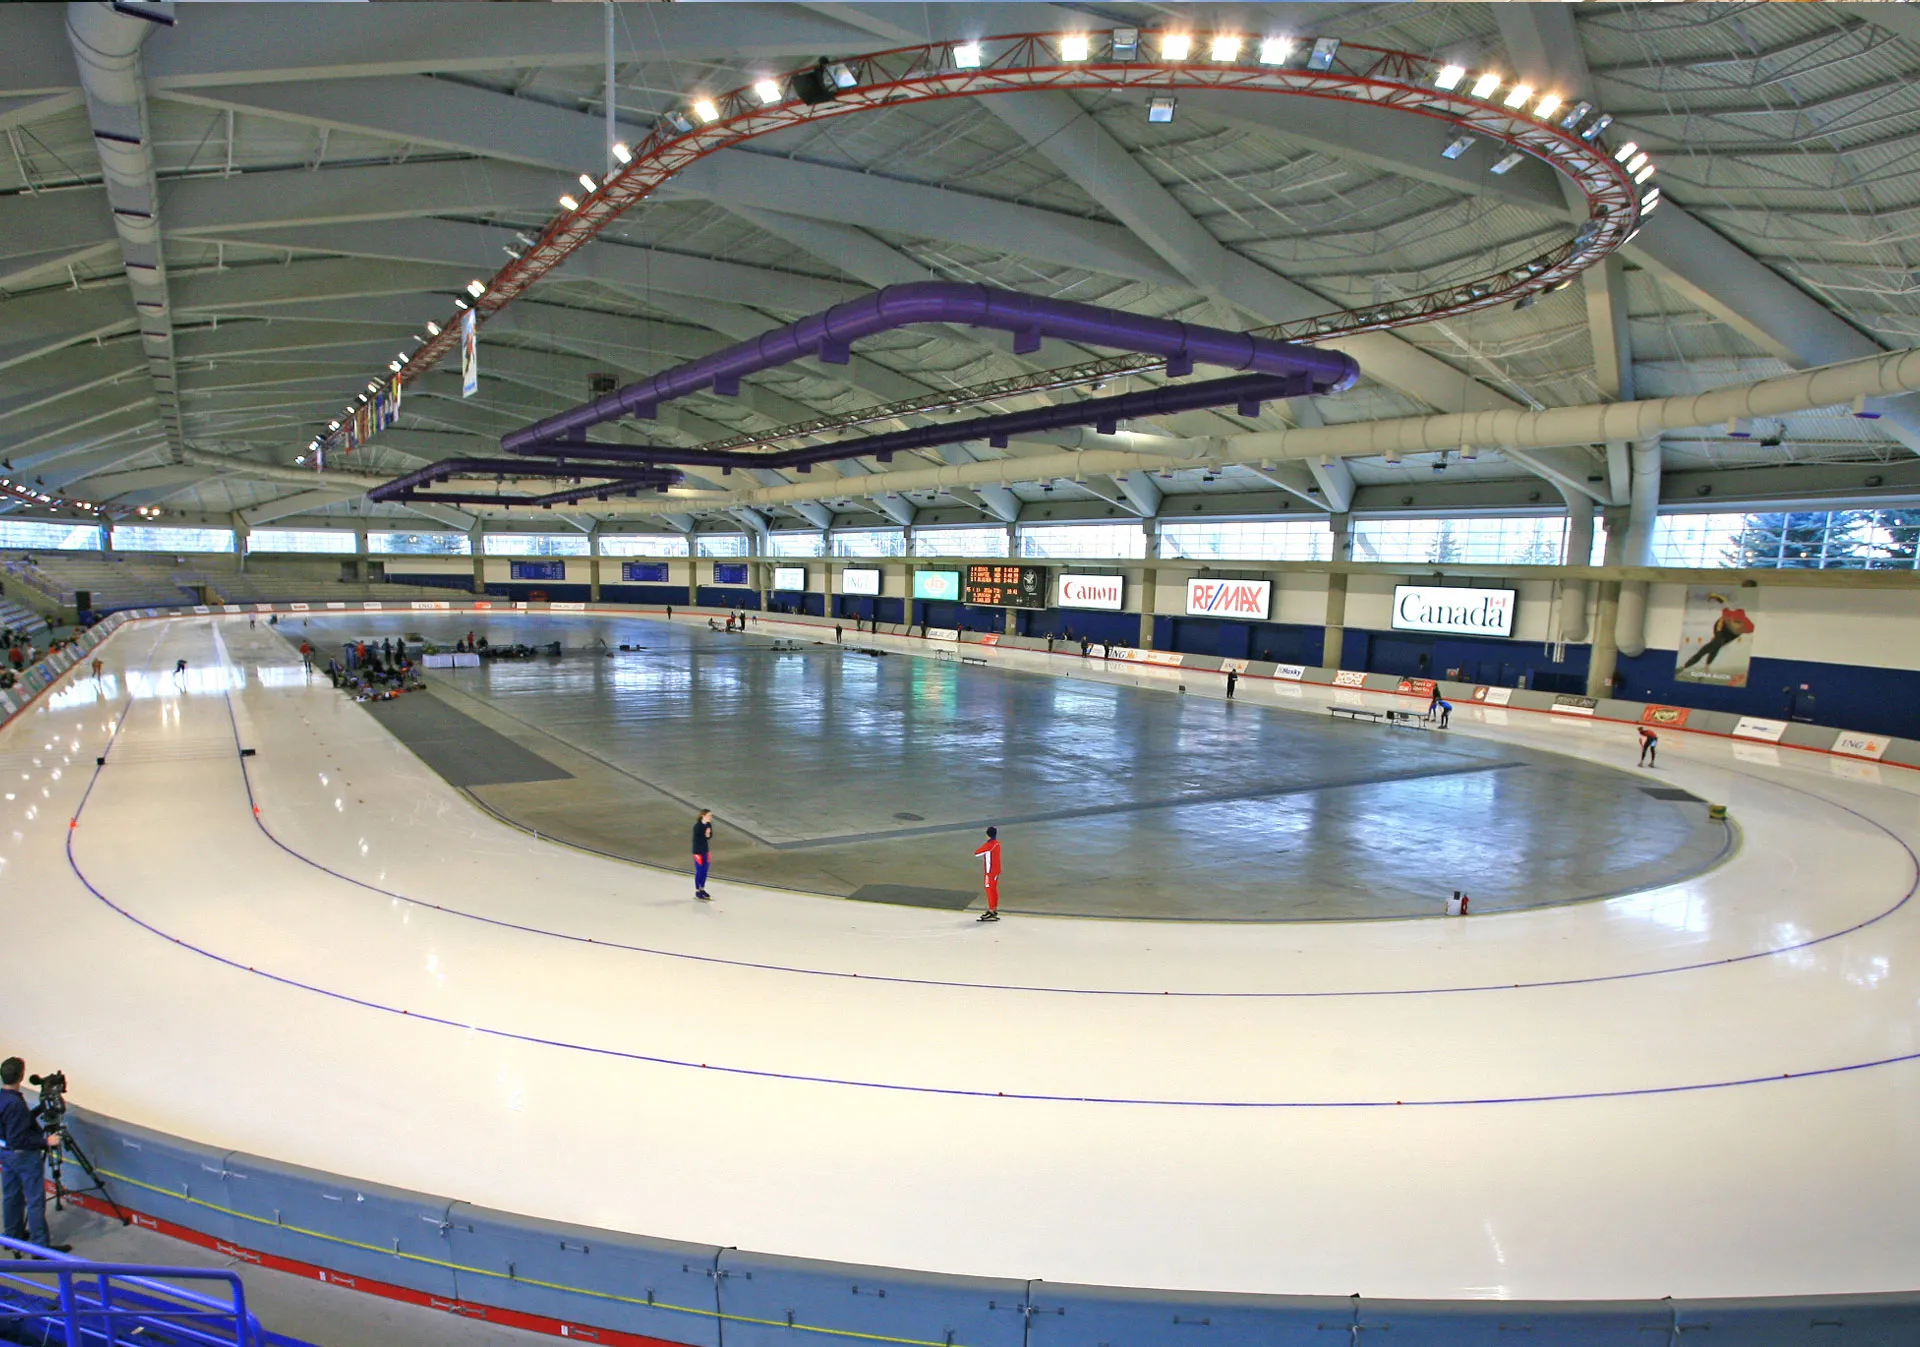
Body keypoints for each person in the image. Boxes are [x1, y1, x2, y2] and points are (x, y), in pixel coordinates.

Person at [0, 1057, 65, 1251]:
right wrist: (46, 1141)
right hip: (23, 1156)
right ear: (21, 1076)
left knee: (11, 1195)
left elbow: (14, 1123)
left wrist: (38, 1110)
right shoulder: (16, 1104)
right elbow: (18, 1138)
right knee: (35, 1201)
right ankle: (40, 1248)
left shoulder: (4, 1098)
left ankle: (12, 1236)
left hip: (5, 1154)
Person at [1679, 594, 1756, 674]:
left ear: (1743, 622)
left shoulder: (1749, 627)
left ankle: (1706, 666)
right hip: (1721, 629)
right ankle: (1686, 666)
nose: (1736, 624)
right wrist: (1714, 596)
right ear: (1732, 618)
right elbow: (1724, 601)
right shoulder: (1728, 614)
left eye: (1739, 622)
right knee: (1711, 646)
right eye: (1735, 621)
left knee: (1716, 646)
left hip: (1730, 635)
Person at [974, 826, 1002, 922]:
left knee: (989, 890)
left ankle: (991, 911)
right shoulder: (997, 843)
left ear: (987, 835)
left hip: (990, 872)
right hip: (996, 870)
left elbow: (977, 853)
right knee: (994, 889)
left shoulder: (989, 845)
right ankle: (994, 909)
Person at [691, 809, 714, 901]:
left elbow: (709, 837)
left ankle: (702, 889)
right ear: (703, 816)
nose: (710, 817)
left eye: (711, 816)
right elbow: (698, 839)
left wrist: (708, 834)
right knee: (699, 870)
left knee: (705, 870)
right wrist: (706, 834)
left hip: (705, 850)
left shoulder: (708, 825)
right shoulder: (697, 826)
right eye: (709, 815)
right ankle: (697, 890)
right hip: (698, 851)